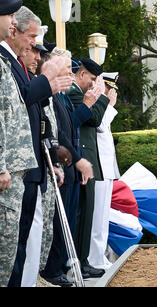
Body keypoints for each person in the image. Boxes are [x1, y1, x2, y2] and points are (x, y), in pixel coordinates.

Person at [1, 6, 71, 287]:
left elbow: (32, 112)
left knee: (20, 247)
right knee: (11, 251)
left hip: (26, 167)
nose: (36, 47)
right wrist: (47, 78)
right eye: (32, 39)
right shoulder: (6, 60)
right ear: (14, 28)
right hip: (14, 170)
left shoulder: (11, 61)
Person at [40, 49, 94, 286]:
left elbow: (69, 129)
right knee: (56, 223)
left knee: (67, 223)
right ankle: (52, 269)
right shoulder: (53, 96)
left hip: (69, 166)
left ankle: (59, 266)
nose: (71, 75)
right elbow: (59, 132)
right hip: (62, 164)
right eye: (66, 71)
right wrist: (77, 160)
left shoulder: (61, 97)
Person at [0, 0, 38, 287]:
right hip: (5, 174)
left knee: (10, 253)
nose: (13, 22)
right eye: (9, 15)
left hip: (14, 171)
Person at [66, 57, 110, 279]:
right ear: (81, 74)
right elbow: (94, 119)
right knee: (82, 212)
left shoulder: (80, 92)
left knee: (87, 213)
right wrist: (102, 97)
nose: (93, 85)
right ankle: (78, 262)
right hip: (80, 160)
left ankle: (82, 261)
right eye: (91, 79)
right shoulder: (74, 93)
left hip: (87, 160)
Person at [88, 72, 120, 270]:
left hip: (106, 168)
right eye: (110, 89)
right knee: (96, 216)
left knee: (103, 216)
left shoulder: (104, 108)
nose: (112, 93)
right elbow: (100, 125)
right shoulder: (100, 106)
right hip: (98, 167)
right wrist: (108, 105)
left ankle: (100, 255)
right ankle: (94, 257)